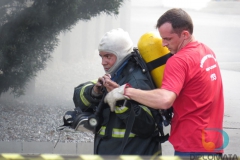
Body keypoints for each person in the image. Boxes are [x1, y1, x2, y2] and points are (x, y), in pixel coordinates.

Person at [104, 8, 224, 156]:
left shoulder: (179, 60)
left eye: (168, 39)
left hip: (192, 145)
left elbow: (165, 100)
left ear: (185, 34)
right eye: (162, 38)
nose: (163, 44)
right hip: (214, 143)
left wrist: (124, 91)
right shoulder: (207, 51)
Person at [72, 28, 161, 155]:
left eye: (108, 56)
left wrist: (121, 103)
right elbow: (77, 97)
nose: (103, 62)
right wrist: (94, 92)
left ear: (120, 55)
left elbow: (147, 126)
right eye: (101, 56)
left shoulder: (136, 81)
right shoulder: (114, 77)